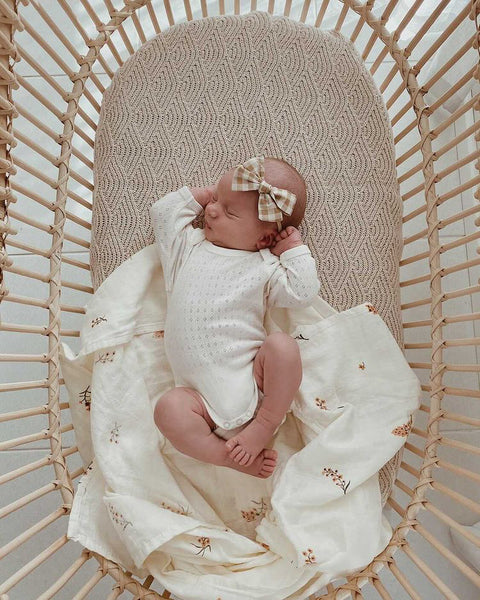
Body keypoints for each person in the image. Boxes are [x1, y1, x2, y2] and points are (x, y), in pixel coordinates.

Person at [150, 155, 320, 478]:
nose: (212, 210)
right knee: (166, 410)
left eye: (229, 212)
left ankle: (264, 425)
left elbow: (303, 292)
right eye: (215, 199)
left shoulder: (264, 266)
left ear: (264, 238)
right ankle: (225, 456)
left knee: (282, 347)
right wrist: (202, 195)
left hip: (255, 386)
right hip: (197, 402)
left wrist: (293, 250)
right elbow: (163, 214)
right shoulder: (187, 248)